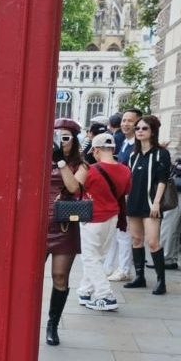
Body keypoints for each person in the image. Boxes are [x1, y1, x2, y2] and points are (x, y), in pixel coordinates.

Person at [60, 133, 131, 311]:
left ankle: (105, 296)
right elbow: (125, 191)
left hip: (92, 218)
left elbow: (73, 188)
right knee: (98, 257)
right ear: (113, 149)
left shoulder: (90, 169)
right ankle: (85, 291)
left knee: (90, 258)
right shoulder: (125, 170)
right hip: (113, 216)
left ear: (97, 150)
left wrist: (62, 165)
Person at [45, 118, 86, 346]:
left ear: (74, 141)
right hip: (38, 225)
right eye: (56, 137)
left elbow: (73, 188)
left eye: (66, 138)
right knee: (27, 276)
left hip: (64, 225)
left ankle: (52, 324)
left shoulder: (81, 165)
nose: (61, 142)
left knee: (60, 276)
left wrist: (60, 162)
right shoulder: (39, 160)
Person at [124, 115, 171, 295]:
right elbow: (129, 178)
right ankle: (139, 277)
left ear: (152, 132)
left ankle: (161, 281)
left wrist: (157, 203)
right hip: (134, 201)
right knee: (136, 240)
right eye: (138, 129)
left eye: (144, 128)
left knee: (152, 241)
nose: (140, 131)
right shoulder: (133, 155)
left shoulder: (161, 153)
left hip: (152, 203)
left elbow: (162, 179)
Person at [105, 108, 142, 281]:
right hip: (119, 193)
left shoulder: (138, 145)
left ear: (138, 123)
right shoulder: (125, 143)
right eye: (124, 120)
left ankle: (124, 270)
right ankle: (110, 266)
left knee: (124, 232)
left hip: (129, 194)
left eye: (130, 121)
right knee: (116, 231)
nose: (126, 124)